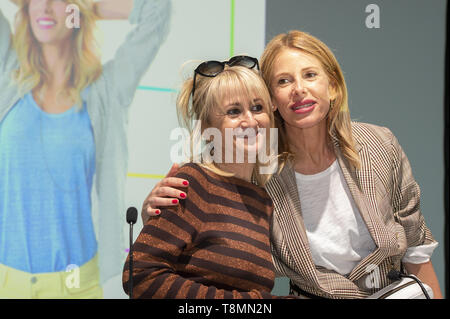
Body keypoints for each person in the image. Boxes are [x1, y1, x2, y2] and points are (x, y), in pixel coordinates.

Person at [140, 30, 443, 299]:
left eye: (310, 75)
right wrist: (156, 214)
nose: (298, 89)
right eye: (284, 81)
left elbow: (417, 251)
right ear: (273, 99)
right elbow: (156, 267)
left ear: (332, 86)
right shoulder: (260, 177)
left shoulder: (380, 144)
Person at [0, 0, 171, 298]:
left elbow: (158, 11)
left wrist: (89, 8)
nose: (46, 7)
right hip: (5, 282)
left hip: (75, 286)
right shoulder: (7, 74)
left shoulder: (107, 88)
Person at [122, 57, 295, 299]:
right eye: (234, 111)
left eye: (257, 107)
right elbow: (140, 276)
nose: (251, 120)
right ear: (206, 129)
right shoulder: (193, 183)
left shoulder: (262, 200)